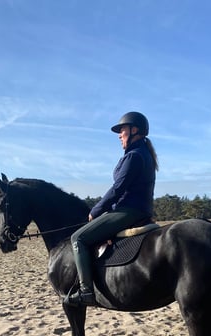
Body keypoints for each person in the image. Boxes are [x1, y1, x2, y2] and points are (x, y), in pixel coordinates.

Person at [64, 111, 158, 306]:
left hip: (129, 210)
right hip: (138, 209)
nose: (119, 135)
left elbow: (118, 189)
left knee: (78, 238)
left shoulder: (134, 156)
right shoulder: (144, 154)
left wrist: (96, 210)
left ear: (134, 130)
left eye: (122, 130)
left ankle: (86, 291)